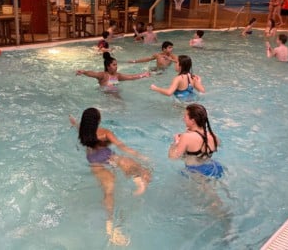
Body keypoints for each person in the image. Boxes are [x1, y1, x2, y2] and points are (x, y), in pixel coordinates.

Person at [69, 107, 151, 245]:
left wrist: (74, 123)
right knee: (139, 167)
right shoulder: (105, 133)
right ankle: (139, 182)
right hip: (109, 157)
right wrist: (140, 155)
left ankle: (109, 223)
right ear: (98, 120)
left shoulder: (83, 132)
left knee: (109, 192)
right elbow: (122, 146)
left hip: (95, 163)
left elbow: (78, 126)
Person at [168, 103, 223, 179]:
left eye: (185, 116)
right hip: (215, 167)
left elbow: (172, 157)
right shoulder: (212, 135)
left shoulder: (186, 137)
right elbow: (219, 144)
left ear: (193, 120)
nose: (183, 119)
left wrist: (176, 142)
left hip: (196, 172)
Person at [76, 52, 150, 91]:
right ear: (108, 66)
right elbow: (93, 74)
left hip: (116, 96)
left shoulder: (117, 76)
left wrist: (143, 75)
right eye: (114, 65)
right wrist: (84, 72)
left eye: (116, 64)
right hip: (106, 100)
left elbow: (131, 77)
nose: (116, 66)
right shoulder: (104, 75)